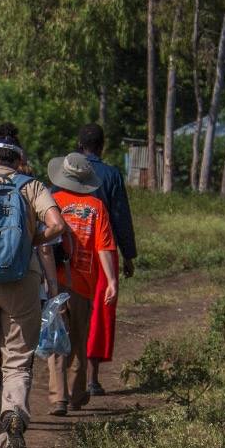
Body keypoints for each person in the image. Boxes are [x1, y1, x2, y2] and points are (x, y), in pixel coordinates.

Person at [0, 123, 68, 448]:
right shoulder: (32, 186)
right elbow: (57, 225)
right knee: (17, 360)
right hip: (23, 279)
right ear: (19, 160)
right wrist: (30, 241)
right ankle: (15, 412)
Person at [47, 152, 118, 416]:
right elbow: (105, 247)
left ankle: (58, 398)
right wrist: (110, 281)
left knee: (56, 337)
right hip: (84, 284)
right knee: (78, 338)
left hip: (55, 281)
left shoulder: (52, 203)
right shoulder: (97, 208)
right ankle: (77, 394)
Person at [77, 123, 136, 396]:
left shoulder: (68, 171)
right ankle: (92, 377)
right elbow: (121, 219)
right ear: (103, 146)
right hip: (104, 250)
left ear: (80, 146)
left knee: (72, 308)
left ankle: (68, 380)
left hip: (74, 248)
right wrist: (128, 255)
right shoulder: (111, 175)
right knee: (100, 311)